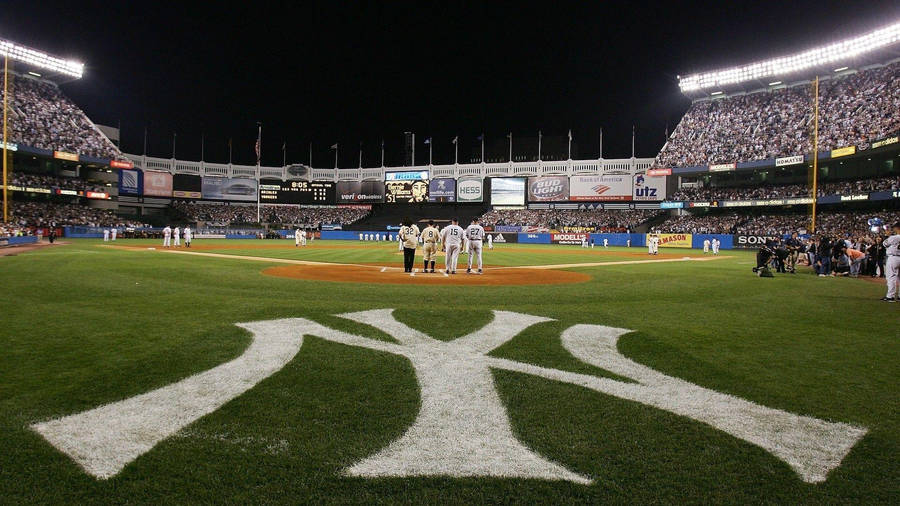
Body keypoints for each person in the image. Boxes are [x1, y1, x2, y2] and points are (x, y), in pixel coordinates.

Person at [881, 222, 900, 302]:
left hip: (894, 258)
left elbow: (884, 244)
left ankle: (890, 296)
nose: (894, 229)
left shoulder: (894, 237)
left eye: (895, 227)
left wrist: (887, 236)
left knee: (891, 277)